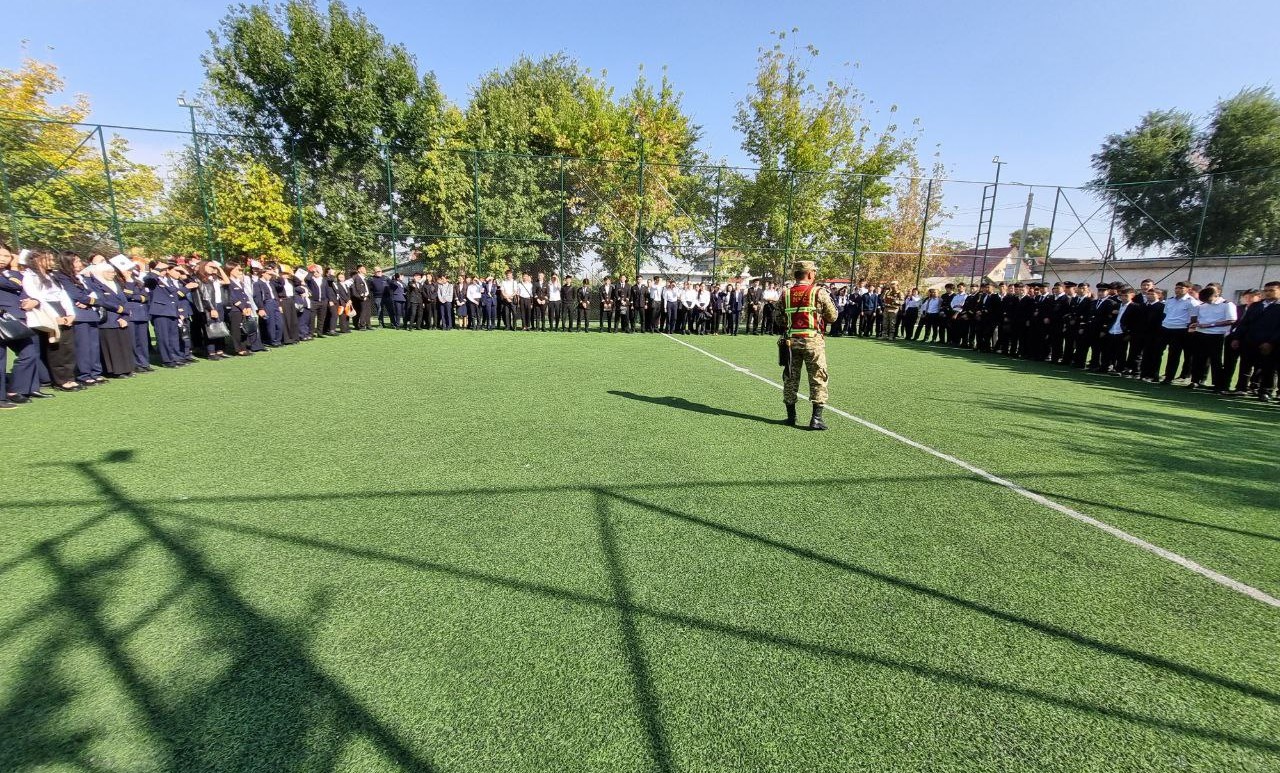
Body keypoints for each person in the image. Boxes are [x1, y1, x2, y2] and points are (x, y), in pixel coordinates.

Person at [775, 261, 839, 430]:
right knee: (818, 378)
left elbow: (777, 318)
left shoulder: (785, 294)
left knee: (790, 378)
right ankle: (816, 419)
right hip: (813, 342)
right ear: (810, 274)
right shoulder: (819, 292)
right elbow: (833, 317)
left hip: (791, 343)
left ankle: (791, 417)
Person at [24, 250, 81, 390]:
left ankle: (70, 376)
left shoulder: (52, 276)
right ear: (36, 260)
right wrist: (55, 317)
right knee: (56, 347)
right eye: (48, 259)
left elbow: (63, 294)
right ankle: (61, 380)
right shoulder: (29, 276)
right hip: (47, 312)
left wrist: (70, 313)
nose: (52, 262)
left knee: (68, 347)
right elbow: (38, 297)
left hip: (61, 309)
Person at [0, 243, 46, 405]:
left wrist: (34, 301)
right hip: (3, 317)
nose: (3, 259)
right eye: (1, 255)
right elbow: (15, 284)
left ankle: (15, 390)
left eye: (7, 256)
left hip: (16, 319)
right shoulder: (10, 275)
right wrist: (14, 268)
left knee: (29, 353)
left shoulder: (9, 274)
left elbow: (25, 289)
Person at [56, 252, 104, 385]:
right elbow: (75, 295)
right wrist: (89, 299)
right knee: (83, 346)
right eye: (75, 261)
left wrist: (90, 301)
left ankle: (96, 372)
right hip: (79, 315)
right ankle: (84, 374)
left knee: (94, 345)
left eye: (79, 260)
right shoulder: (63, 277)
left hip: (91, 313)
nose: (79, 263)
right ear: (67, 263)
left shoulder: (83, 277)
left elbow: (98, 291)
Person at [1231, 281, 1280, 402]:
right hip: (1250, 341)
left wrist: (1271, 342)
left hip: (1269, 344)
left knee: (1268, 368)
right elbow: (1244, 323)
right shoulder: (1255, 305)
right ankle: (1241, 388)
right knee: (1245, 365)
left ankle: (1265, 391)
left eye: (1271, 290)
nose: (1267, 293)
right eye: (1266, 290)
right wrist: (1237, 338)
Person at [85, 261, 136, 376]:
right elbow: (103, 301)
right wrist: (120, 310)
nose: (113, 274)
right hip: (108, 319)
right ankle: (116, 371)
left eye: (113, 272)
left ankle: (127, 368)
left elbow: (125, 301)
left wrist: (124, 317)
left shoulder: (115, 284)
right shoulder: (96, 285)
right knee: (112, 346)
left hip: (121, 319)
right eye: (109, 272)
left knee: (123, 345)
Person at [1187, 285, 1235, 391]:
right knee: (1198, 358)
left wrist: (1210, 325)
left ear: (1216, 295)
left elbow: (1231, 320)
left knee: (1216, 360)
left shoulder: (1227, 304)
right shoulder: (1202, 305)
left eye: (1209, 300)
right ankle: (1195, 381)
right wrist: (1196, 324)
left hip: (1217, 335)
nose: (1207, 302)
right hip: (1200, 333)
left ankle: (1218, 384)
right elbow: (1199, 319)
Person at [1160, 281, 1201, 384]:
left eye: (1181, 288)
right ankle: (1157, 374)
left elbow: (1194, 319)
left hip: (1180, 329)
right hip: (1166, 328)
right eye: (1176, 288)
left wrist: (1190, 331)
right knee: (1160, 351)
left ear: (1188, 289)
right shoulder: (1170, 300)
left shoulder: (1191, 302)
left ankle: (1169, 377)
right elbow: (1166, 314)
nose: (1178, 290)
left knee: (1174, 354)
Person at [351, 265, 372, 330]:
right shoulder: (357, 278)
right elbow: (358, 288)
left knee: (368, 312)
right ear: (359, 270)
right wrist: (363, 296)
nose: (365, 270)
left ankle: (368, 325)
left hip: (367, 297)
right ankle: (362, 325)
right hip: (362, 298)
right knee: (363, 311)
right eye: (363, 268)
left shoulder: (364, 278)